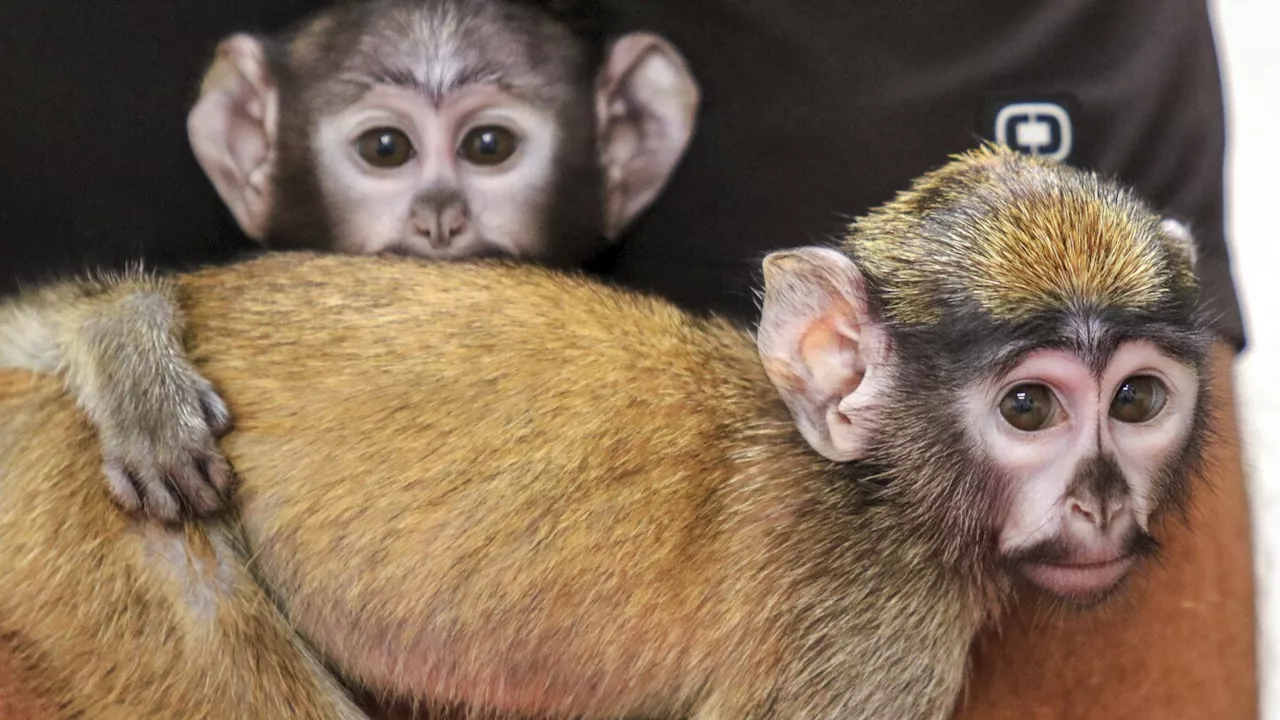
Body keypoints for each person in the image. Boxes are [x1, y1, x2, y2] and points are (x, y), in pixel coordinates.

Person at [0, 1, 1255, 717]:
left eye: (1138, 398)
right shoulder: (868, 614)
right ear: (833, 362)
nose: (1100, 498)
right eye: (1034, 406)